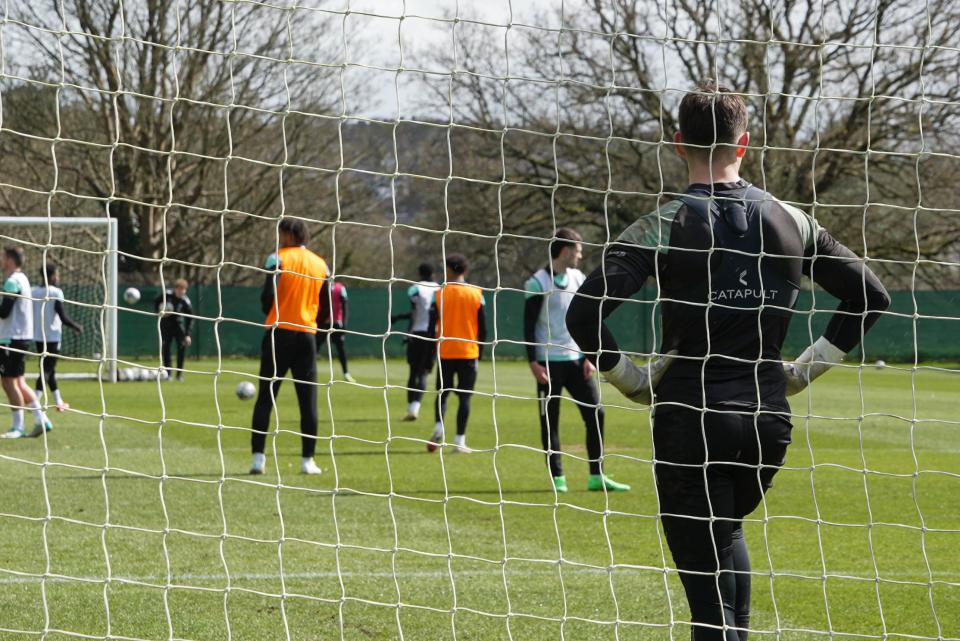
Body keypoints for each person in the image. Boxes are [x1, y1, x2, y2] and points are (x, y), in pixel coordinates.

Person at [566, 81, 890, 640]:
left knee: (707, 605)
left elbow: (582, 315)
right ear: (744, 145)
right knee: (727, 537)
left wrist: (633, 381)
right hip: (767, 420)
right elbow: (872, 297)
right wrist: (803, 370)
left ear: (676, 144)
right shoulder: (793, 219)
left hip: (691, 416)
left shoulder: (661, 224)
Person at [524, 228, 629, 494]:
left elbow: (587, 319)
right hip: (548, 363)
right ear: (566, 251)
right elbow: (528, 326)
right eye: (579, 251)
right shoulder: (537, 282)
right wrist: (533, 362)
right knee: (551, 420)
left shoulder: (578, 278)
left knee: (596, 413)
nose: (581, 256)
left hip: (576, 361)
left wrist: (589, 357)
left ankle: (597, 475)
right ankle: (558, 477)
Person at [250, 219, 328, 476]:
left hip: (278, 333)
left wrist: (269, 313)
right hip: (306, 335)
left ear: (288, 234)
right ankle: (308, 460)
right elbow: (326, 308)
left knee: (266, 397)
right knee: (308, 401)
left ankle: (258, 459)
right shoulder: (321, 264)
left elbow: (265, 296)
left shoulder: (277, 258)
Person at [426, 253, 486, 454]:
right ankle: (459, 442)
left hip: (445, 351)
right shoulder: (476, 293)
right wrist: (481, 352)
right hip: (468, 353)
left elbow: (431, 324)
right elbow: (484, 328)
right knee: (465, 398)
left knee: (442, 394)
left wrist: (430, 353)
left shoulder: (440, 293)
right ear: (465, 270)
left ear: (450, 270)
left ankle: (438, 428)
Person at [1, 247, 53, 439]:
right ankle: (42, 420)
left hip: (12, 338)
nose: (0, 260)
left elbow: (4, 311)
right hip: (21, 336)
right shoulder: (23, 279)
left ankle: (18, 427)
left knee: (8, 382)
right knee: (19, 382)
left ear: (9, 260)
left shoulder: (12, 282)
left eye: (2, 257)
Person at [391, 263, 439, 421]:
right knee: (424, 372)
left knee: (413, 371)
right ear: (433, 273)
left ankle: (411, 408)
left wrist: (406, 332)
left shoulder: (415, 288)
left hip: (417, 332)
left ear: (419, 273)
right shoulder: (441, 289)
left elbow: (415, 312)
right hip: (434, 335)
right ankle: (415, 407)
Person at [33, 263, 83, 411]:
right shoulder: (56, 292)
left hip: (38, 336)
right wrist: (76, 326)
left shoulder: (34, 292)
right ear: (52, 276)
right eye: (57, 274)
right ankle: (34, 401)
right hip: (53, 337)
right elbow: (62, 316)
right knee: (46, 370)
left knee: (49, 369)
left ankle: (59, 401)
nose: (58, 277)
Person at [154, 278, 193, 381]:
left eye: (184, 290)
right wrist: (159, 311)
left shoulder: (185, 301)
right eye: (180, 289)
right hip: (165, 327)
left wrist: (188, 334)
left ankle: (179, 375)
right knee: (166, 350)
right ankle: (168, 374)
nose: (182, 292)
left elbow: (190, 318)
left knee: (181, 350)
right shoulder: (166, 295)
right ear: (176, 289)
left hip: (179, 328)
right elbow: (156, 302)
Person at [318, 277, 354, 383]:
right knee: (314, 347)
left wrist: (344, 326)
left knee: (340, 349)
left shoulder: (340, 288)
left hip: (337, 324)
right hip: (323, 324)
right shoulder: (321, 287)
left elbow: (345, 306)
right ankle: (308, 372)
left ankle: (346, 373)